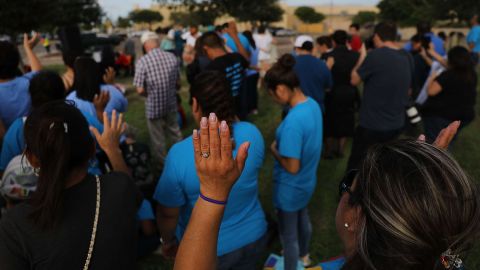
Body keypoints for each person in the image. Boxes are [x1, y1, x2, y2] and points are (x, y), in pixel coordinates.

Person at [174, 118, 479, 270]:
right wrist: (427, 193)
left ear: (355, 218)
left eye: (349, 185)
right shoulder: (441, 258)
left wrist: (212, 194)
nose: (345, 192)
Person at [0, 102, 142, 269]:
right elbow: (128, 186)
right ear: (92, 148)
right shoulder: (119, 189)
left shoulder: (15, 226)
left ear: (31, 159)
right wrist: (112, 150)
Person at [154, 71, 267, 269]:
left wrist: (168, 241)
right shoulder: (252, 134)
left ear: (195, 105)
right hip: (254, 235)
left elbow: (168, 213)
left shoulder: (179, 155)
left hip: (209, 249)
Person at [265, 54, 323, 270]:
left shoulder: (292, 123)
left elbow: (292, 166)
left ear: (281, 89)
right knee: (303, 219)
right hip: (307, 183)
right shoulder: (313, 105)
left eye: (272, 95)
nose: (273, 100)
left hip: (289, 190)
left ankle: (292, 265)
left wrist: (274, 151)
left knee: (288, 238)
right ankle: (305, 256)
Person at [348, 22, 412, 171]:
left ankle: (348, 193)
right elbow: (409, 90)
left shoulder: (376, 55)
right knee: (382, 166)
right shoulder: (407, 56)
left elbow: (354, 80)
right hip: (396, 123)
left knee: (357, 167)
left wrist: (363, 56)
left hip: (371, 125)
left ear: (376, 36)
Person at [0, 71, 65, 176]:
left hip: (32, 190)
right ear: (63, 94)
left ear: (30, 96)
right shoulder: (75, 122)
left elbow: (4, 169)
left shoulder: (20, 127)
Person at [134, 32, 182, 168]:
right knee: (175, 133)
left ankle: (164, 166)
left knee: (158, 139)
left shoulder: (143, 61)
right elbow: (178, 84)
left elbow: (140, 90)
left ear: (145, 45)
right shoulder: (172, 57)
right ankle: (181, 159)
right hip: (171, 103)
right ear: (158, 43)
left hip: (153, 106)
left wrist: (149, 96)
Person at [422, 46, 476, 144]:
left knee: (435, 142)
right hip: (463, 116)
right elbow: (446, 63)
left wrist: (432, 77)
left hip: (441, 117)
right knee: (448, 139)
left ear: (452, 61)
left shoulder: (447, 76)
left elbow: (431, 91)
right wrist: (431, 52)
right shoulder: (471, 74)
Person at [323, 30, 360, 159]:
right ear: (346, 41)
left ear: (333, 41)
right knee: (346, 119)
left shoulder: (327, 56)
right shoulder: (355, 55)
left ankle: (328, 150)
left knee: (329, 120)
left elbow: (324, 75)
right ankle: (340, 149)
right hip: (349, 91)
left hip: (332, 92)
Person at [200, 32, 249, 119]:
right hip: (243, 105)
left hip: (225, 114)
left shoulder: (211, 69)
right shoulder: (237, 57)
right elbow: (247, 62)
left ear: (205, 47)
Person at [0, 33, 41, 129]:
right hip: (34, 136)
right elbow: (38, 71)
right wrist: (28, 48)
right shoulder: (28, 81)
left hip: (10, 142)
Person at [67, 57, 128, 121]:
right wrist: (111, 85)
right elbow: (124, 107)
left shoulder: (70, 98)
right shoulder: (111, 91)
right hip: (114, 129)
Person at [293, 35, 332, 112]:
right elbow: (328, 87)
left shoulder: (290, 64)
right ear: (312, 48)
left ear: (297, 48)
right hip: (316, 109)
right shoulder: (322, 64)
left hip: (294, 108)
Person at [243, 30, 260, 115]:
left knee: (248, 92)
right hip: (255, 72)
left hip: (248, 72)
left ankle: (249, 109)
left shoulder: (246, 48)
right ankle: (254, 108)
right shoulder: (255, 47)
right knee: (254, 91)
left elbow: (247, 62)